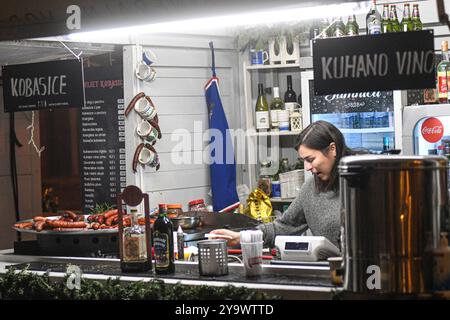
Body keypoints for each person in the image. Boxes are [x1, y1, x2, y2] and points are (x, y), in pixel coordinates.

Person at [210, 120, 355, 248]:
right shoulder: (310, 189)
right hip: (331, 274)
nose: (307, 167)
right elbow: (283, 226)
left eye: (310, 159)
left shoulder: (362, 184)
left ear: (332, 149)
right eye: (304, 160)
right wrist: (240, 237)